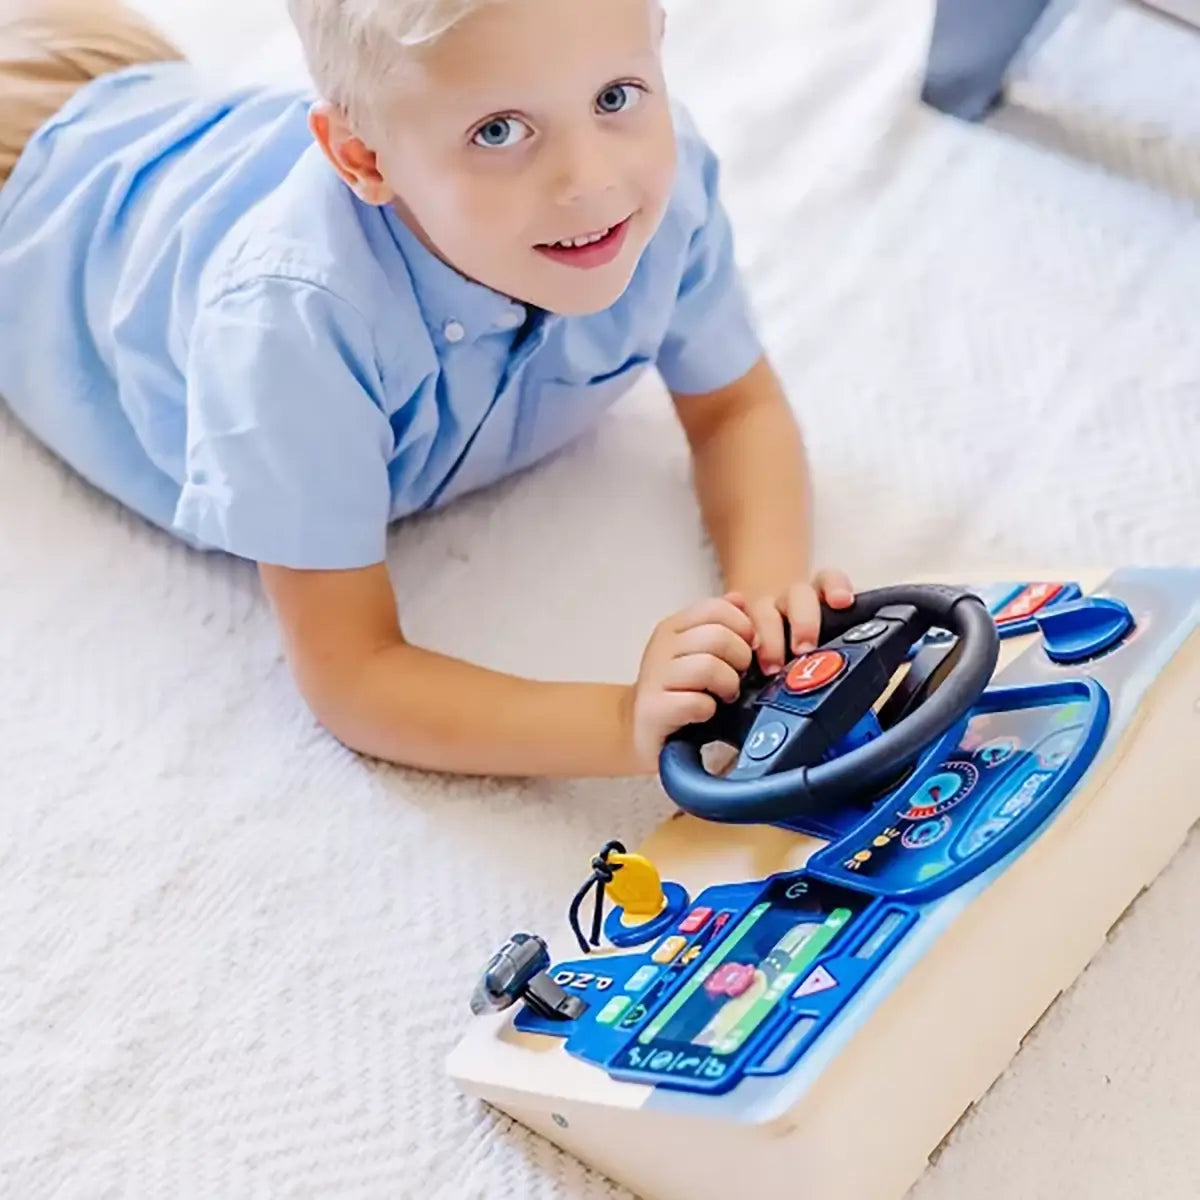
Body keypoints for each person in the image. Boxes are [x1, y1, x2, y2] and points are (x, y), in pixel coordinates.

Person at [0, 0, 854, 778]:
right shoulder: (292, 330)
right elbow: (353, 674)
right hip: (30, 189)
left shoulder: (669, 196)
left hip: (137, 93)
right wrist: (620, 719)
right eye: (498, 131)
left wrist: (769, 599)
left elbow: (735, 410)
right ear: (362, 159)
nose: (589, 180)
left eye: (616, 96)